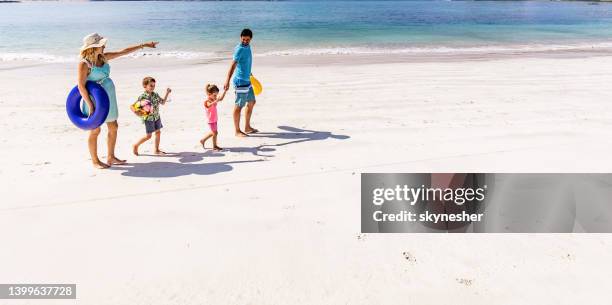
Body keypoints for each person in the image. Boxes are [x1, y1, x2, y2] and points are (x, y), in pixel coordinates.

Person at [77, 33, 158, 168]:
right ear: (94, 47)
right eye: (102, 45)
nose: (104, 46)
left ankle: (111, 156)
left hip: (109, 96)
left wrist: (143, 45)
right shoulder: (84, 64)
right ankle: (95, 161)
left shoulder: (103, 57)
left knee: (113, 126)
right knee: (95, 130)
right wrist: (90, 105)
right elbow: (80, 85)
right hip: (94, 99)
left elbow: (123, 52)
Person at [224, 28, 258, 137]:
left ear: (251, 39)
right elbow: (233, 65)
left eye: (247, 40)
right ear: (240, 37)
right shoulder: (239, 49)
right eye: (243, 39)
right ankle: (237, 131)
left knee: (252, 102)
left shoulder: (248, 47)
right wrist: (227, 80)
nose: (245, 41)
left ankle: (247, 127)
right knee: (239, 105)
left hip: (247, 80)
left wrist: (250, 74)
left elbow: (246, 62)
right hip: (240, 82)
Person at [132, 77, 172, 156]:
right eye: (151, 85)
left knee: (158, 132)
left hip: (157, 116)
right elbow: (133, 106)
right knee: (148, 136)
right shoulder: (143, 96)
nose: (153, 87)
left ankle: (156, 149)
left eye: (154, 85)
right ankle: (136, 145)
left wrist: (167, 93)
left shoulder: (155, 94)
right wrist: (136, 112)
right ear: (145, 86)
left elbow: (163, 102)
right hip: (149, 118)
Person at [200, 84, 227, 151]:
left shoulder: (214, 99)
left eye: (216, 95)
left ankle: (203, 140)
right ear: (209, 94)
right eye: (214, 95)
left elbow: (221, 98)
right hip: (210, 120)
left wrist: (225, 91)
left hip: (215, 119)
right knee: (214, 133)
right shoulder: (207, 101)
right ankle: (214, 146)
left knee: (214, 132)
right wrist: (216, 101)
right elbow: (209, 105)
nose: (216, 96)